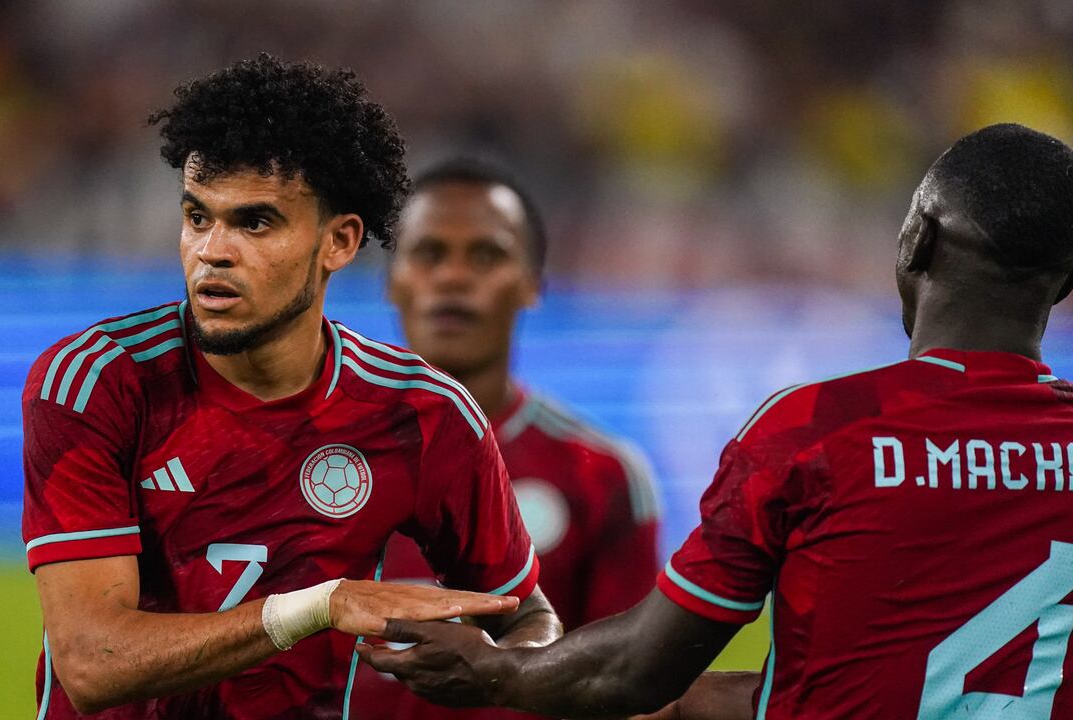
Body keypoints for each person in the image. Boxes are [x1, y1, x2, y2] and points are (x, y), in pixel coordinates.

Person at [361, 123, 1073, 719]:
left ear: (915, 239)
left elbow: (636, 668)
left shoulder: (819, 430)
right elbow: (895, 684)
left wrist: (495, 673)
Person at [21, 55, 560, 720]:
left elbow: (524, 613)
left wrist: (502, 673)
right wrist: (320, 606)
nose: (212, 251)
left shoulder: (424, 414)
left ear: (339, 241)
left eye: (255, 223)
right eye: (197, 216)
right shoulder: (98, 383)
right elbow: (91, 664)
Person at [349, 158, 663, 720]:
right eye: (429, 253)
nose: (453, 277)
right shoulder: (306, 453)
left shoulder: (602, 474)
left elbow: (628, 685)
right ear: (392, 281)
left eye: (487, 255)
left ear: (533, 285)